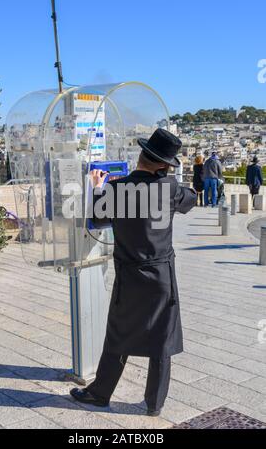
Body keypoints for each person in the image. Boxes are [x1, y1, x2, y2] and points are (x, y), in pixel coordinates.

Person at [70, 129, 197, 417]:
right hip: (161, 278)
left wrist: (98, 186)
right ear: (165, 165)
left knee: (118, 335)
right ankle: (154, 404)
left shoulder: (116, 189)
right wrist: (169, 181)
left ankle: (99, 393)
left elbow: (98, 218)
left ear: (140, 156)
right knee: (161, 341)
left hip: (128, 277)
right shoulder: (169, 188)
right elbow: (191, 198)